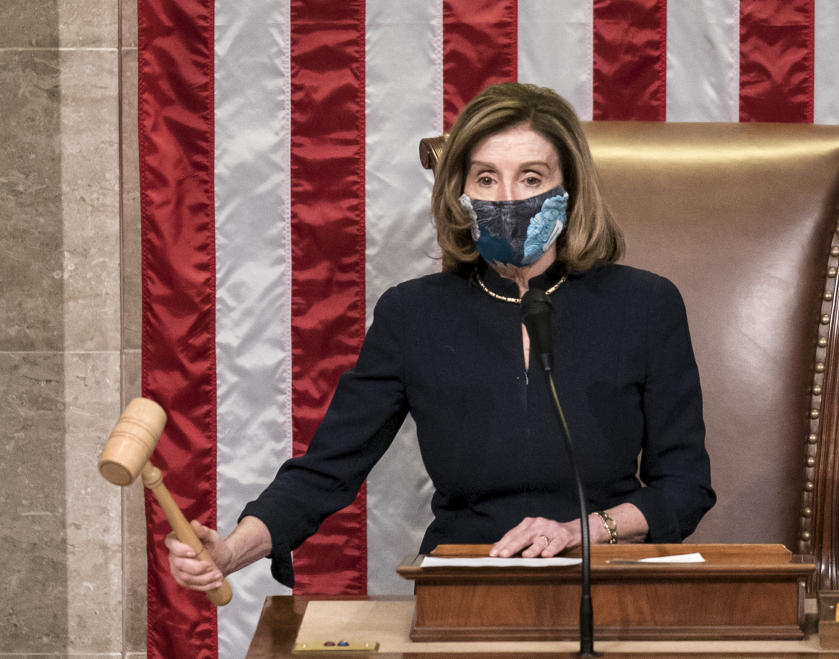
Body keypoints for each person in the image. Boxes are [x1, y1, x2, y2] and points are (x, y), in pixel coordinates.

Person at [167, 82, 715, 593]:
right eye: (485, 178)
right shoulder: (413, 313)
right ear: (460, 194)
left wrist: (582, 530)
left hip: (608, 578)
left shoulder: (644, 304)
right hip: (466, 584)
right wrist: (235, 549)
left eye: (531, 177)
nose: (507, 198)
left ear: (568, 189)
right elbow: (328, 468)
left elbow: (685, 486)